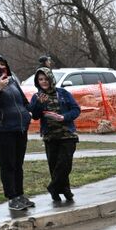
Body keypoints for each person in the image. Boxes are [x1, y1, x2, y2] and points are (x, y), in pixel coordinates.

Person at [0, 53, 34, 214]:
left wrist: (29, 112)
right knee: (8, 163)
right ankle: (12, 197)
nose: (0, 67)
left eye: (2, 63)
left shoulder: (12, 81)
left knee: (18, 163)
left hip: (20, 127)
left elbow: (23, 101)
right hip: (2, 129)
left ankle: (20, 194)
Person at [29, 67, 81, 204]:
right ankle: (61, 192)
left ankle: (53, 187)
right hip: (50, 136)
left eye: (46, 78)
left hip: (67, 134)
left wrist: (63, 117)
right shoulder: (37, 97)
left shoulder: (63, 93)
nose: (43, 82)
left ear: (51, 79)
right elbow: (34, 116)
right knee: (54, 165)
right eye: (40, 79)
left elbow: (76, 109)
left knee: (65, 163)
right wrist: (39, 104)